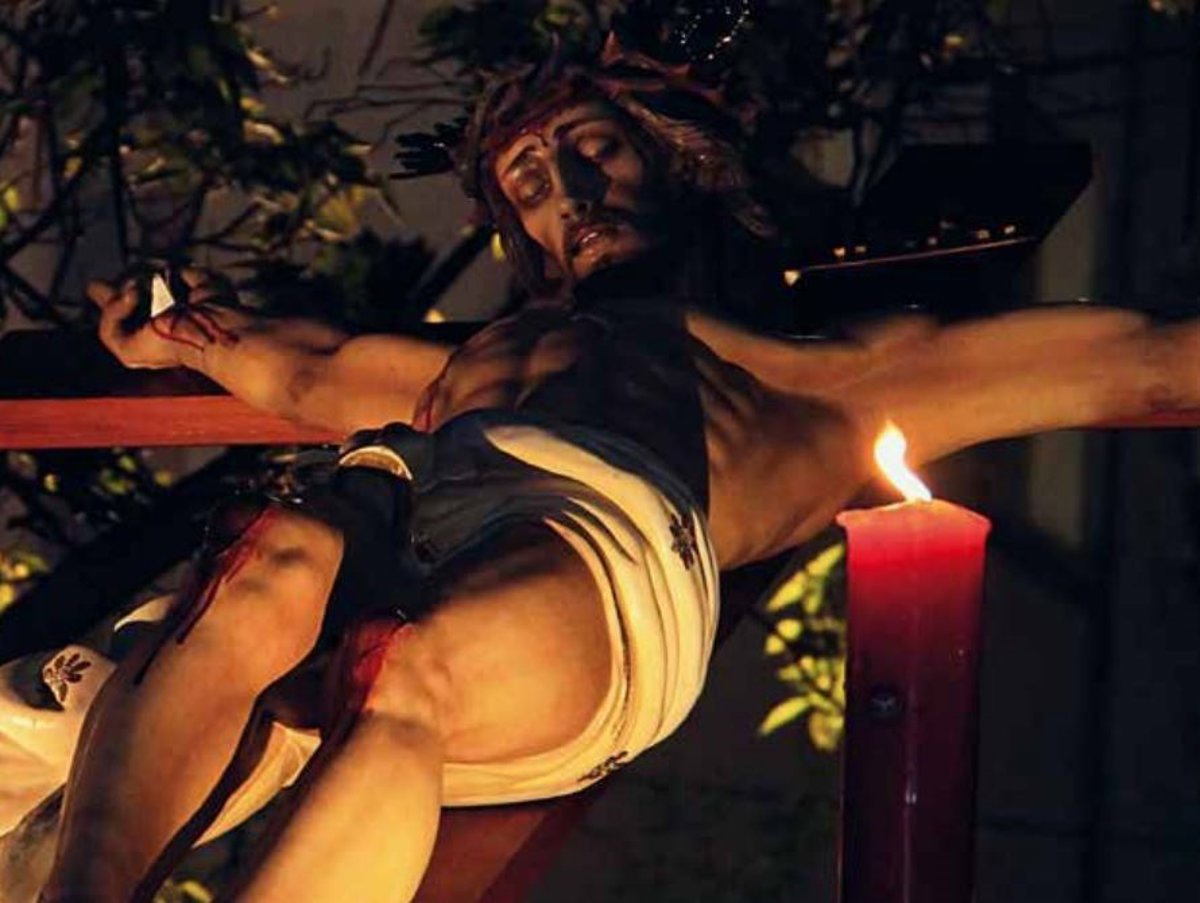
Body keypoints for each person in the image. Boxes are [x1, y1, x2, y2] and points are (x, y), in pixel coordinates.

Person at [16, 37, 1200, 903]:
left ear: (672, 163)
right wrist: (168, 333)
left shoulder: (822, 376)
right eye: (533, 185)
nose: (571, 196)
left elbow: (1144, 361)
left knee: (404, 669)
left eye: (595, 153)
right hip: (414, 496)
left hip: (597, 553)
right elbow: (301, 364)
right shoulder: (467, 363)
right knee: (264, 557)